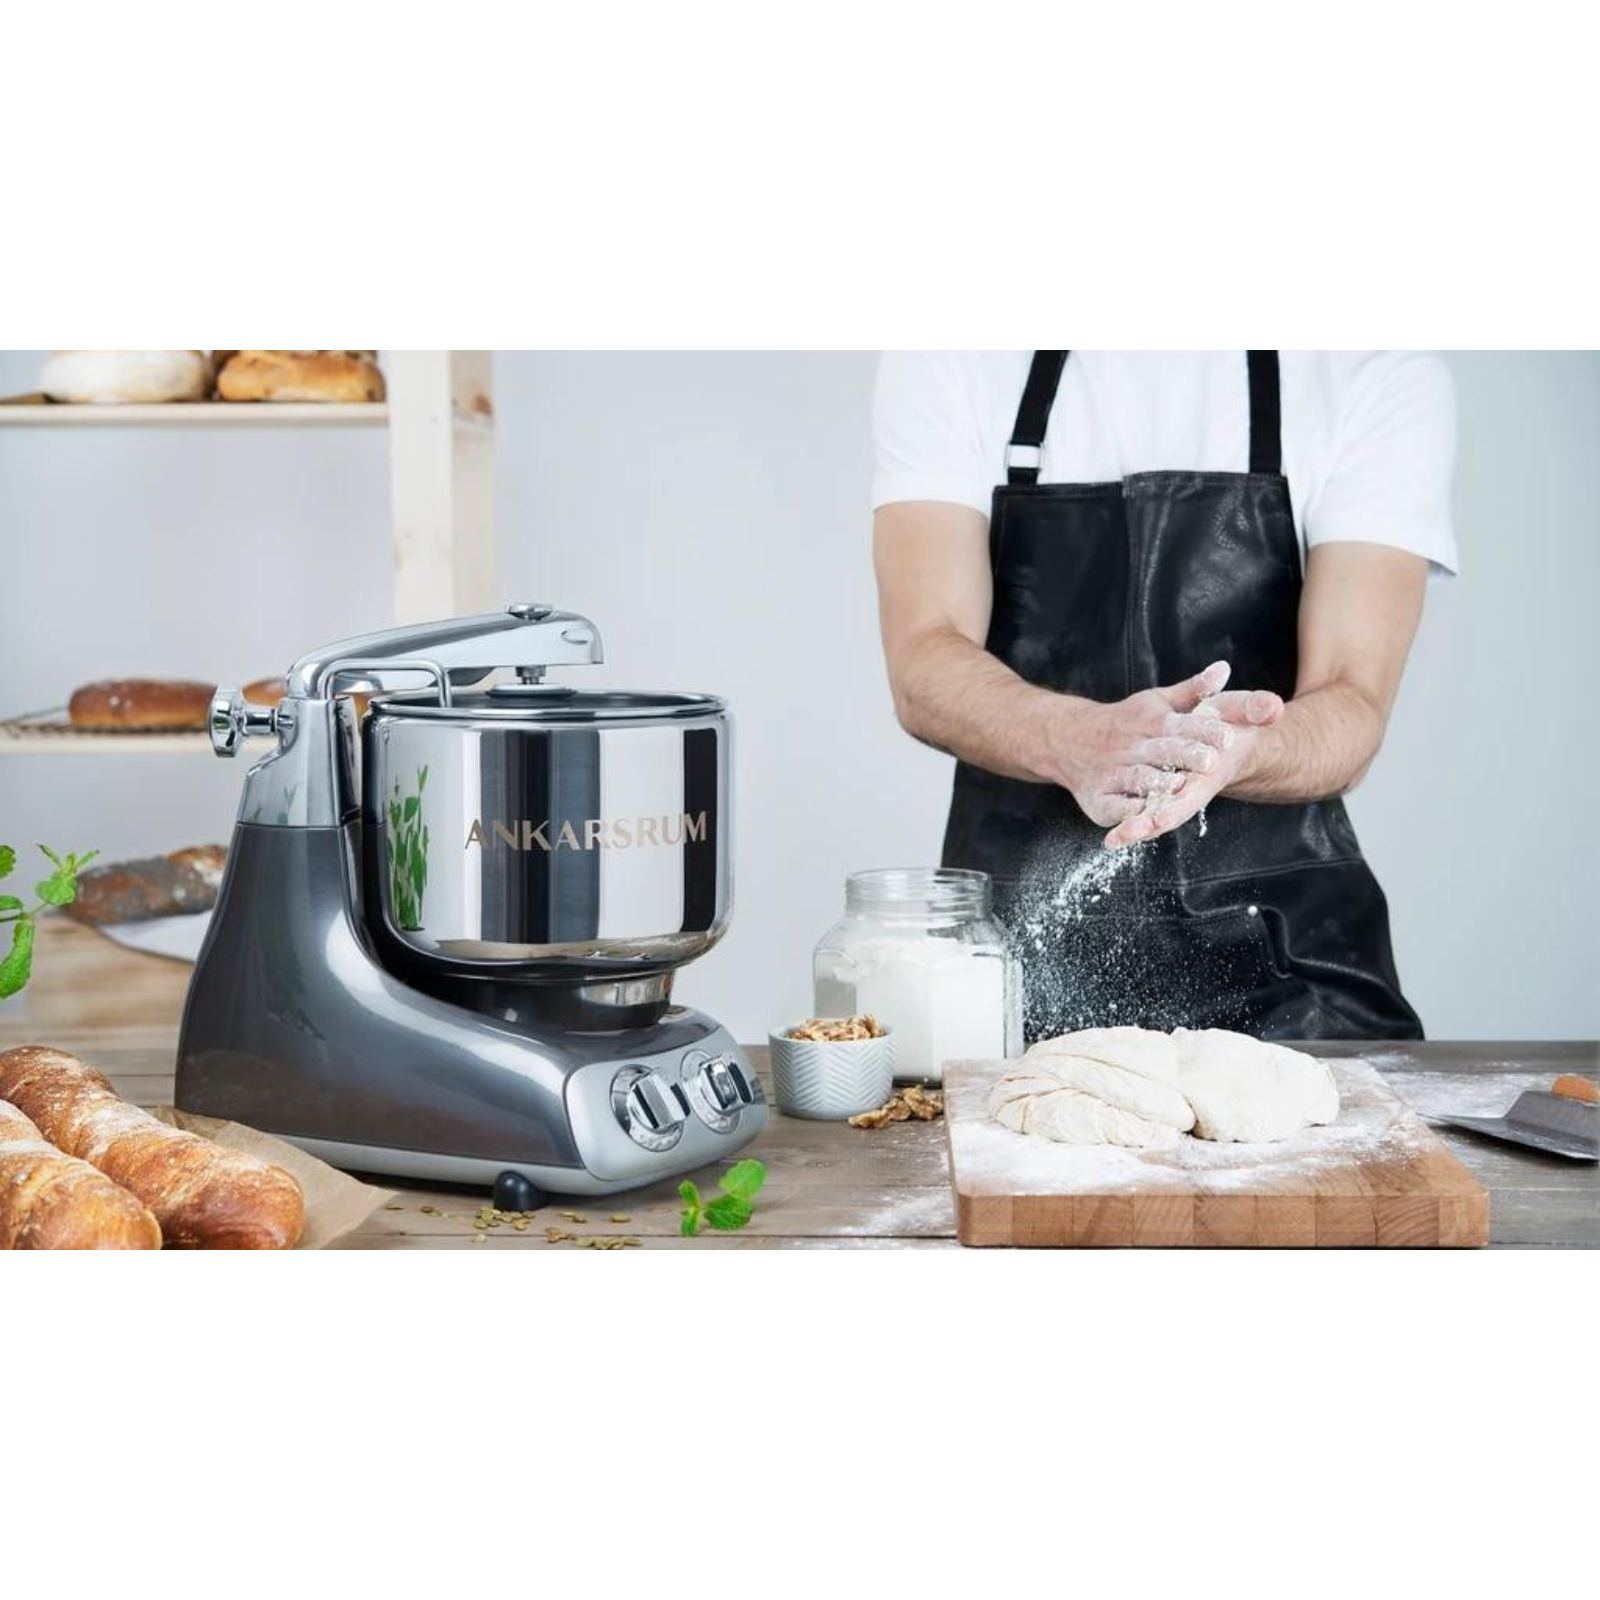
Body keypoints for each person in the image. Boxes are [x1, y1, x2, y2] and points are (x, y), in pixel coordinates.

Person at [871, 352, 1456, 1041]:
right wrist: (1076, 738)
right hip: (1015, 966)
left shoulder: (1374, 368)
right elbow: (924, 658)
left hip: (1288, 975)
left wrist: (1237, 751)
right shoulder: (953, 354)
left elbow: (1352, 699)